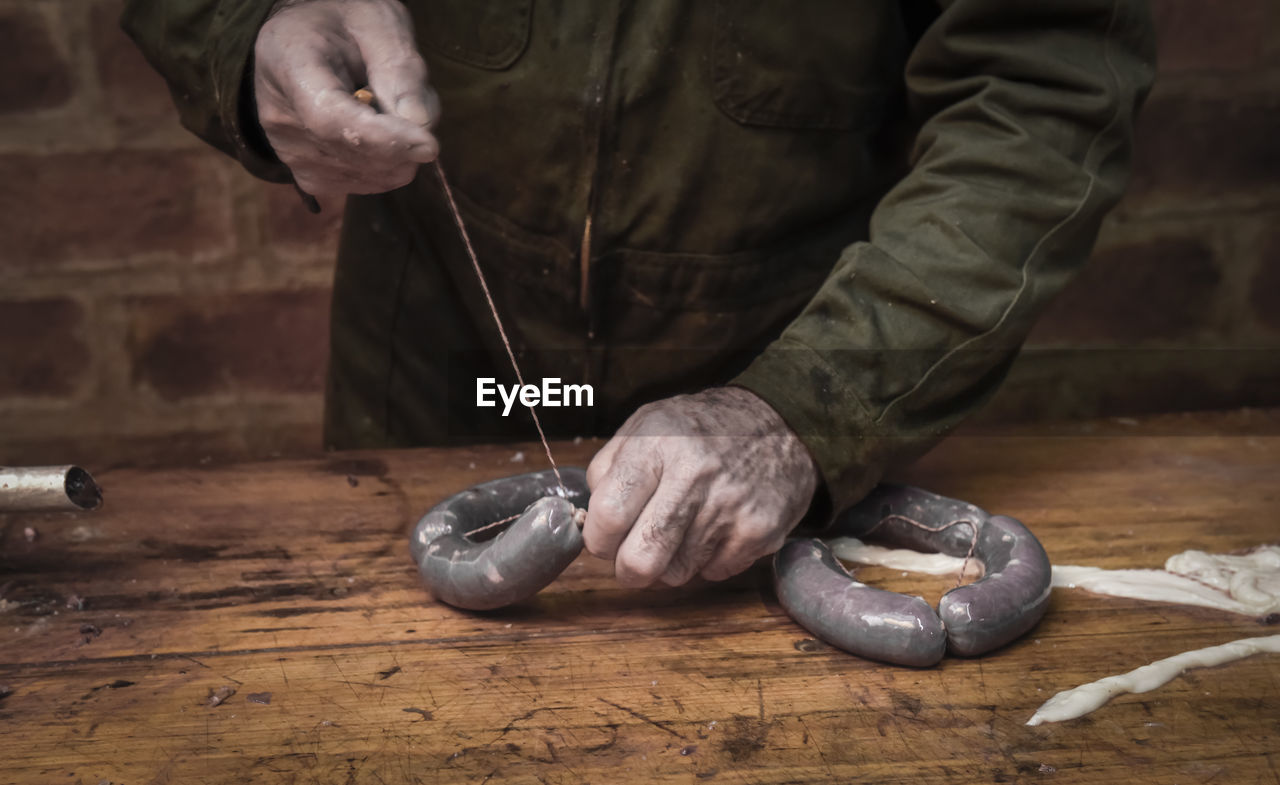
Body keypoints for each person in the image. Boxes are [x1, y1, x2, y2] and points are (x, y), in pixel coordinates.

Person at [123, 0, 1155, 589]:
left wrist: (806, 407)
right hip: (431, 372)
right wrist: (242, 29)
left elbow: (1037, 88)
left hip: (789, 384)